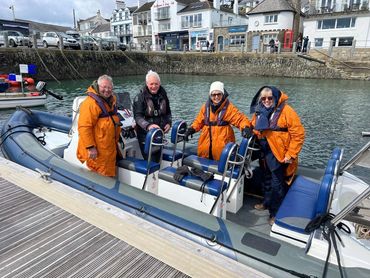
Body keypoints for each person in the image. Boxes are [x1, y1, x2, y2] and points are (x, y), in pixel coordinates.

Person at [249, 86, 305, 225]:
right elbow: (255, 127)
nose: (267, 101)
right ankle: (266, 202)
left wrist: (291, 154)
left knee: (277, 185)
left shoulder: (287, 111)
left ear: (275, 97)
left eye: (270, 98)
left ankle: (275, 213)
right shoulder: (259, 112)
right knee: (265, 178)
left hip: (279, 154)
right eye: (264, 98)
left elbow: (298, 135)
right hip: (264, 151)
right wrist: (249, 131)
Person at [184, 81, 251, 161]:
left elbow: (240, 119)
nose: (216, 97)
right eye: (213, 94)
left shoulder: (229, 108)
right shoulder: (205, 107)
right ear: (210, 95)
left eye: (219, 94)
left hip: (222, 150)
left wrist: (245, 127)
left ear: (222, 94)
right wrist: (191, 130)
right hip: (205, 147)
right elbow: (198, 121)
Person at [77, 75, 122, 177]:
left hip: (109, 148)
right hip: (97, 152)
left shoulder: (111, 101)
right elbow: (84, 127)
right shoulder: (90, 103)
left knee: (108, 174)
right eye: (104, 87)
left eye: (109, 87)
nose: (107, 90)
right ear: (98, 86)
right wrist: (90, 147)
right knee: (100, 176)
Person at [133, 70, 172, 161]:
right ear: (147, 84)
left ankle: (157, 173)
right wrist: (148, 126)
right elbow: (138, 117)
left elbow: (168, 112)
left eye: (156, 84)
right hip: (145, 135)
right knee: (151, 160)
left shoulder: (163, 95)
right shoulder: (139, 98)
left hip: (159, 134)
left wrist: (169, 123)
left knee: (158, 159)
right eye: (151, 84)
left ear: (159, 83)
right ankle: (151, 174)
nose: (154, 86)